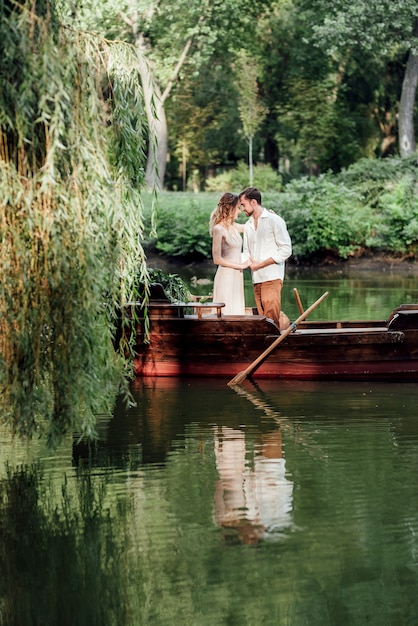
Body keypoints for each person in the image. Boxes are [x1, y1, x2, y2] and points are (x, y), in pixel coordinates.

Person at [239, 187, 292, 327]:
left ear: (254, 202)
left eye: (243, 204)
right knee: (263, 321)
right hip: (256, 279)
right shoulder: (248, 225)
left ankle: (274, 347)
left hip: (272, 277)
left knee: (271, 322)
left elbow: (286, 250)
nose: (242, 208)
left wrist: (260, 264)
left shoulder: (274, 220)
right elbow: (246, 253)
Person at [209, 192, 251, 315]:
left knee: (237, 310)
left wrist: (267, 216)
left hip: (237, 275)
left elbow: (251, 227)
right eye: (238, 208)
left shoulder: (233, 227)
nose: (240, 211)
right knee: (226, 311)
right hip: (226, 276)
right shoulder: (218, 229)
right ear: (230, 208)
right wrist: (241, 265)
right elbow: (217, 259)